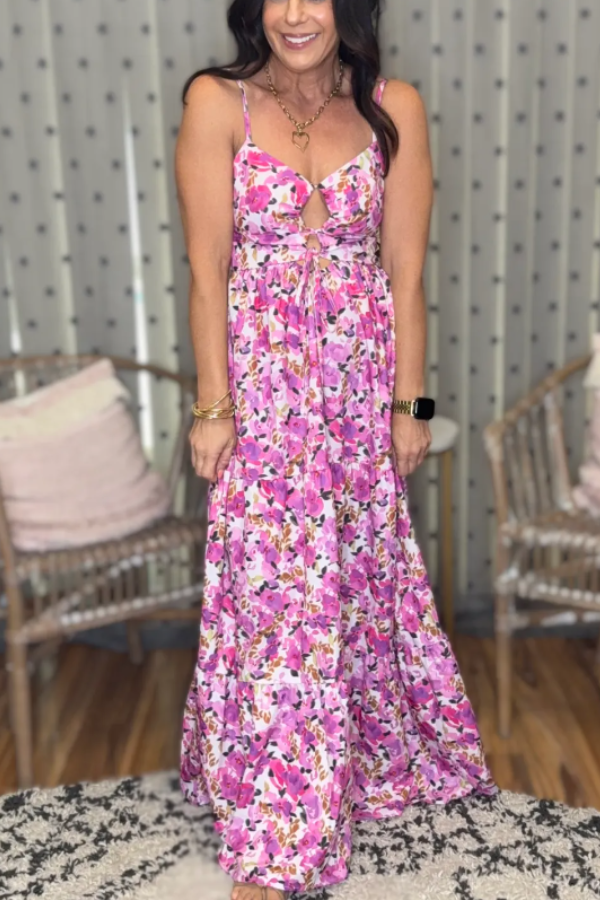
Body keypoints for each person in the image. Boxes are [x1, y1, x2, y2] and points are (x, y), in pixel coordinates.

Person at [175, 1, 498, 898]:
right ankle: (280, 833)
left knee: (356, 584)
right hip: (265, 401)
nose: (293, 13)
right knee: (279, 602)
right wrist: (213, 407)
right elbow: (207, 271)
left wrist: (411, 405)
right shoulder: (218, 103)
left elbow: (407, 275)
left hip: (358, 397)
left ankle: (357, 766)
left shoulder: (395, 106)